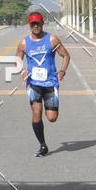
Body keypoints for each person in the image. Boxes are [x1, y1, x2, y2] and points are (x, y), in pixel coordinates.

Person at [16, 12, 71, 156]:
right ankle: (42, 145)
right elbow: (17, 60)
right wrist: (22, 71)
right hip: (33, 83)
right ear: (29, 25)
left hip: (51, 83)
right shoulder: (24, 43)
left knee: (52, 118)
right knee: (36, 113)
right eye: (33, 24)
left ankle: (44, 137)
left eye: (38, 23)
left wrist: (62, 71)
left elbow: (66, 55)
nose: (36, 26)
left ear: (42, 23)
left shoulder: (52, 40)